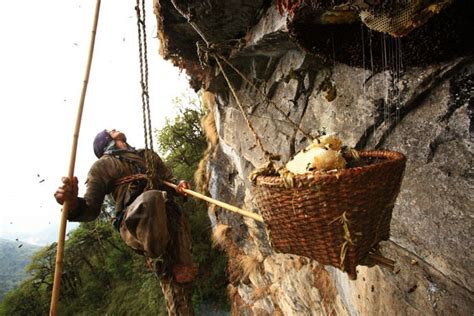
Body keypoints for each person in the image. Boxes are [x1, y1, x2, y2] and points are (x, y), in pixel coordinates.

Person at [54, 129, 197, 315]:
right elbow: (90, 210)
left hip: (169, 216)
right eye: (110, 130)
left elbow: (168, 180)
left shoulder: (147, 156)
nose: (115, 128)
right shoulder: (101, 166)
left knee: (182, 281)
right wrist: (72, 204)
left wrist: (179, 185)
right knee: (150, 200)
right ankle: (159, 259)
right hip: (136, 221)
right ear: (106, 140)